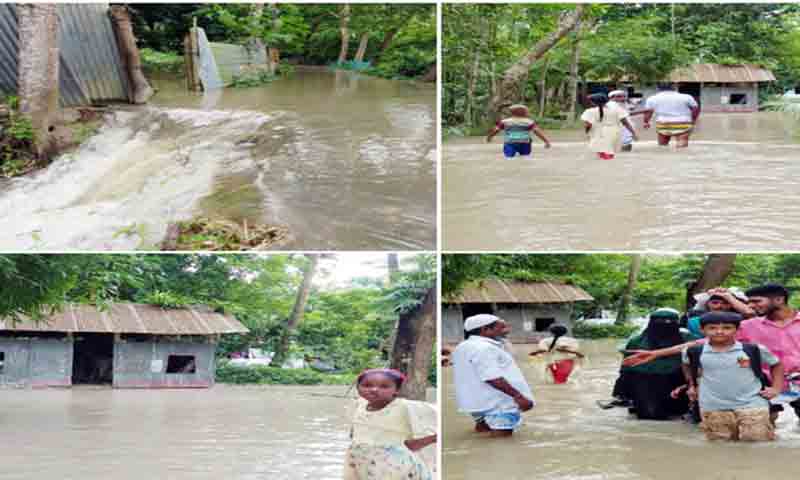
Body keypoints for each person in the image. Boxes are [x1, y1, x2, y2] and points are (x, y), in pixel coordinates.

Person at [624, 284, 800, 422]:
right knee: (760, 431)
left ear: (778, 300)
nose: (751, 306)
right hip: (766, 386)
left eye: (756, 301)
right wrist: (656, 353)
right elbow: (700, 343)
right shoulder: (749, 326)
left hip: (797, 382)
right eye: (750, 301)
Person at [682, 312, 783, 441]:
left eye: (727, 328)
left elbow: (776, 364)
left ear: (737, 329)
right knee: (720, 442)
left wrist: (776, 388)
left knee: (756, 440)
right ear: (702, 330)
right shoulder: (693, 351)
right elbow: (686, 365)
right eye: (712, 328)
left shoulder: (753, 349)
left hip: (752, 403)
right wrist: (692, 385)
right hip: (713, 406)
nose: (719, 332)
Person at [344, 368, 437, 480]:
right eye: (367, 385)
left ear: (396, 390)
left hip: (394, 465)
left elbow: (436, 419)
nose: (374, 389)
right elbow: (354, 433)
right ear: (358, 388)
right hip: (359, 461)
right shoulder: (358, 405)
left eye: (384, 386)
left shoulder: (405, 407)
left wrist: (425, 441)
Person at [451, 314, 535, 437]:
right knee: (502, 445)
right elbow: (492, 377)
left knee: (483, 435)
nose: (507, 331)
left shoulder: (462, 346)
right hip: (498, 404)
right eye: (502, 328)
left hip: (476, 403)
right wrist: (519, 396)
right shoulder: (485, 348)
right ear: (485, 329)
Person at [609, 308, 692, 419]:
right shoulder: (637, 341)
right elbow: (626, 367)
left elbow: (696, 366)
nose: (664, 326)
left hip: (676, 386)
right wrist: (622, 392)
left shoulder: (688, 340)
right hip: (644, 386)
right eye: (659, 322)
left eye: (669, 322)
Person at [580, 93, 638, 160]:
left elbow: (588, 125)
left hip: (599, 135)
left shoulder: (589, 111)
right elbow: (626, 123)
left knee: (601, 155)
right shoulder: (617, 109)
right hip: (615, 134)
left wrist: (587, 133)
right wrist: (633, 133)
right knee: (609, 153)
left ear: (593, 102)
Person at [641, 83, 700, 149]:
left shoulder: (651, 99)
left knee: (662, 147)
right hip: (682, 124)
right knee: (681, 148)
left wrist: (646, 122)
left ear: (657, 88)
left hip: (663, 124)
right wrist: (693, 120)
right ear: (674, 87)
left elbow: (648, 113)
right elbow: (695, 109)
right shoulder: (687, 97)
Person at [486, 104, 552, 159]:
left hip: (510, 143)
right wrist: (546, 141)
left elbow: (496, 130)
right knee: (525, 157)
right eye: (526, 111)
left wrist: (489, 137)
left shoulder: (505, 122)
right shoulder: (529, 122)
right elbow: (537, 131)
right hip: (525, 143)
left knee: (509, 157)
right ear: (523, 113)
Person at [686, 287, 754, 338]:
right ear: (707, 304)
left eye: (725, 303)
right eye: (715, 303)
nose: (719, 306)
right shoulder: (695, 322)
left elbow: (750, 313)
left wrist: (728, 296)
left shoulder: (740, 320)